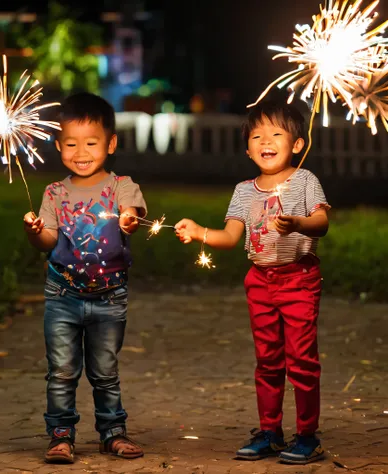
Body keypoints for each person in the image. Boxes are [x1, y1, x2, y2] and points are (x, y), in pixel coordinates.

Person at [175, 100, 330, 465]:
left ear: (296, 144)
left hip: (298, 278)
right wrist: (200, 232)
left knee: (302, 360)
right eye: (257, 135)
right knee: (268, 361)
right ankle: (270, 431)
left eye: (276, 133)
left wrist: (298, 223)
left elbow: (322, 223)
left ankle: (307, 435)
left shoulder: (305, 181)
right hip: (260, 281)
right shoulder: (244, 191)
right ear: (248, 149)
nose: (266, 140)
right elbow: (230, 237)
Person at [23, 92, 147, 464]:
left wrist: (128, 218)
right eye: (71, 143)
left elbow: (133, 213)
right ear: (58, 145)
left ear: (110, 143)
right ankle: (60, 435)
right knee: (61, 371)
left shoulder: (120, 185)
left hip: (110, 297)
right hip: (62, 295)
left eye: (91, 143)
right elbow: (47, 240)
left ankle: (112, 432)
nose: (81, 151)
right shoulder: (54, 193)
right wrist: (35, 231)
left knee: (105, 370)